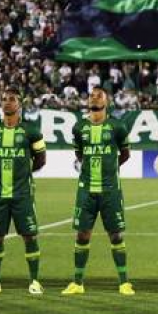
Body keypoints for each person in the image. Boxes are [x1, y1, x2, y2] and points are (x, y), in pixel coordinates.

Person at [62, 87, 134, 295]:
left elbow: (125, 154)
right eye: (91, 95)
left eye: (99, 95)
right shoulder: (79, 128)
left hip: (110, 190)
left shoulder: (117, 127)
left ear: (107, 102)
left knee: (116, 236)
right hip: (86, 190)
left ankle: (124, 283)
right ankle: (77, 283)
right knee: (82, 235)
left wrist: (110, 169)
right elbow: (79, 153)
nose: (94, 98)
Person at [0, 86, 46, 294]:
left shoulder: (31, 131)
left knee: (29, 236)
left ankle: (34, 281)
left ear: (20, 103)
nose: (7, 102)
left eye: (12, 99)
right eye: (4, 99)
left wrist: (24, 174)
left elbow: (41, 160)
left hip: (22, 194)